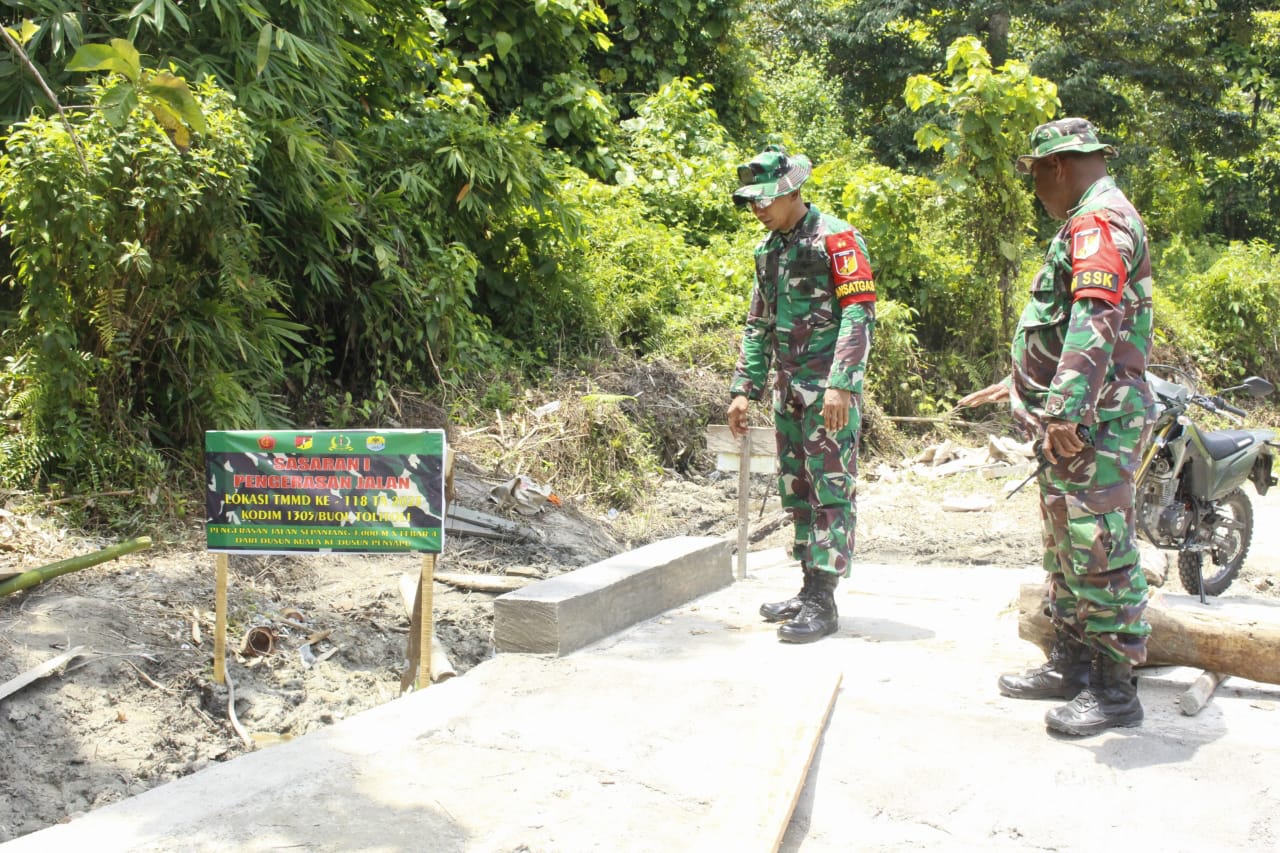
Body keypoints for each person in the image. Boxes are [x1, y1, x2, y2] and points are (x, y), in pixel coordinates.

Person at [960, 118, 1155, 736]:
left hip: (1093, 422)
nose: (1035, 188)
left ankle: (1115, 687)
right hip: (1072, 420)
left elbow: (1095, 317)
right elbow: (1063, 321)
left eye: (1036, 174)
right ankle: (1071, 662)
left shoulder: (1098, 222)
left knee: (1097, 547)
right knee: (1067, 547)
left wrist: (1067, 408)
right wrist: (1022, 382)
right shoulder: (1093, 218)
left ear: (1059, 167)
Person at [726, 144, 876, 644]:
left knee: (831, 490)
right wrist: (744, 389)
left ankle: (824, 600)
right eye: (752, 201)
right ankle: (809, 585)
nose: (757, 208)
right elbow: (758, 324)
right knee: (799, 490)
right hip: (787, 394)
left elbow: (858, 314)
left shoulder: (837, 239)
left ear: (792, 191)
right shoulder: (768, 250)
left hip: (827, 394)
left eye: (765, 199)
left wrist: (842, 383)